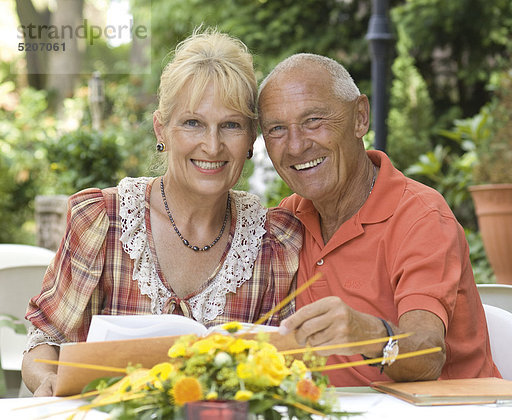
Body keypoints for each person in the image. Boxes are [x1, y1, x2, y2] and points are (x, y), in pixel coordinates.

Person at [22, 29, 302, 397]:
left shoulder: (274, 244)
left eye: (231, 125)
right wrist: (49, 381)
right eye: (192, 123)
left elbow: (285, 371)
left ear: (251, 139)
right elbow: (45, 338)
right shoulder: (103, 220)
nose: (212, 145)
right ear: (162, 129)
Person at [258, 53, 500, 386]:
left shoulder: (420, 217)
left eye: (313, 120)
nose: (296, 145)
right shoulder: (287, 222)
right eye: (276, 129)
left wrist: (367, 333)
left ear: (360, 118)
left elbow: (427, 355)